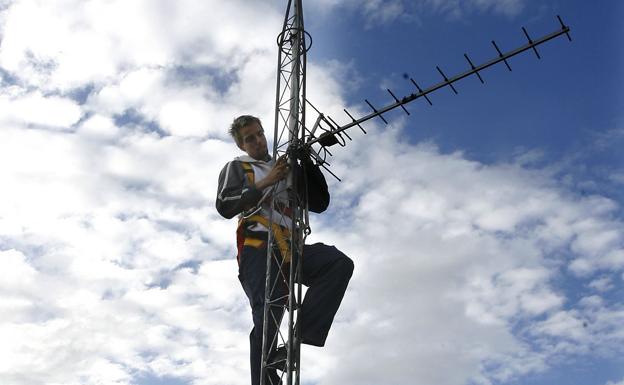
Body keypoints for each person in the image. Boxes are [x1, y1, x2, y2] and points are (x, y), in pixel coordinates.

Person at [216, 115, 354, 385]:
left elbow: (320, 202)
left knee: (337, 263)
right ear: (242, 145)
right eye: (249, 139)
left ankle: (298, 338)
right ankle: (265, 382)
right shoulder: (239, 166)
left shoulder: (285, 167)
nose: (257, 141)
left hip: (290, 246)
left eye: (259, 134)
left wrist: (306, 164)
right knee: (270, 308)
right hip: (258, 246)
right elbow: (225, 204)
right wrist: (266, 182)